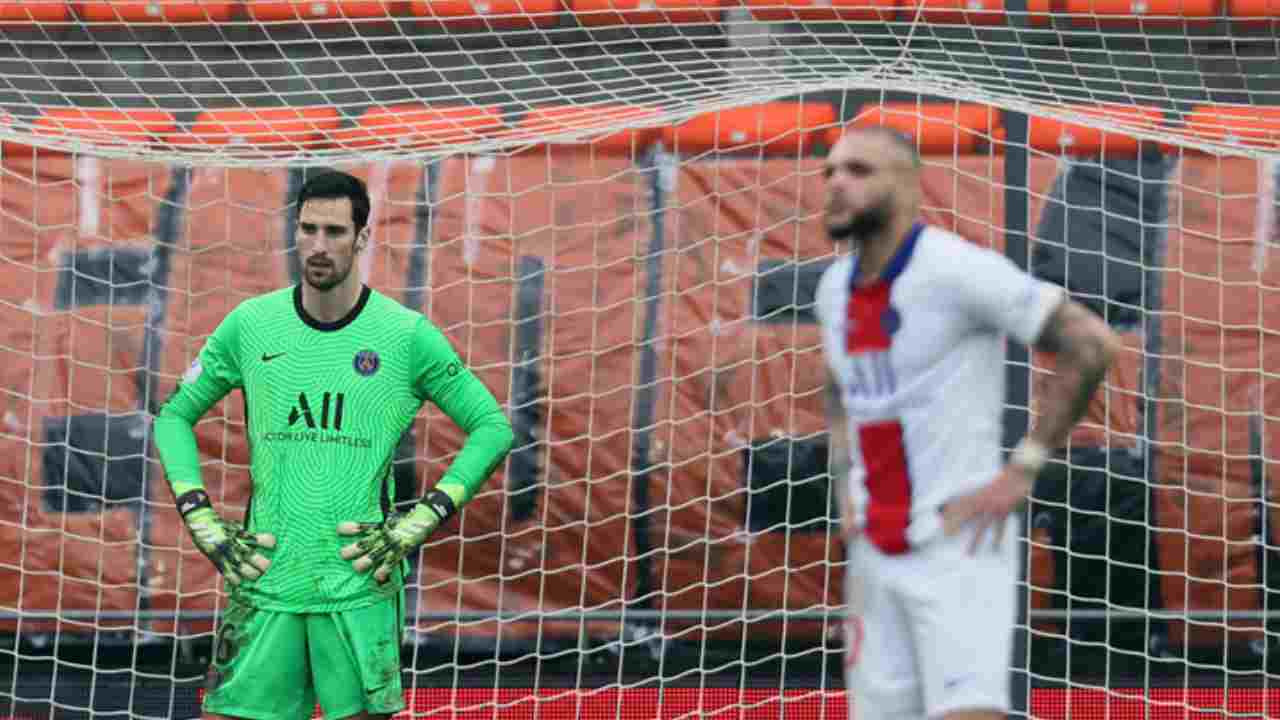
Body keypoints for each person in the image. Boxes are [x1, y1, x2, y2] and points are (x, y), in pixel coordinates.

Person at [154, 170, 515, 720]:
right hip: (265, 577)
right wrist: (198, 513)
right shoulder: (251, 325)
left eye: (335, 232)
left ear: (362, 237)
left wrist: (424, 516)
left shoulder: (405, 334)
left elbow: (493, 426)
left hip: (359, 583)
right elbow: (173, 416)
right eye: (308, 229)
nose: (318, 246)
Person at [814, 127, 1120, 720]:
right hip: (873, 551)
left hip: (959, 542)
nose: (835, 185)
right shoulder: (832, 290)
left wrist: (1021, 471)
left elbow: (1092, 344)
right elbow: (837, 386)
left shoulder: (956, 269)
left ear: (905, 186)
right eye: (828, 172)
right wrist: (842, 483)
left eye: (856, 171)